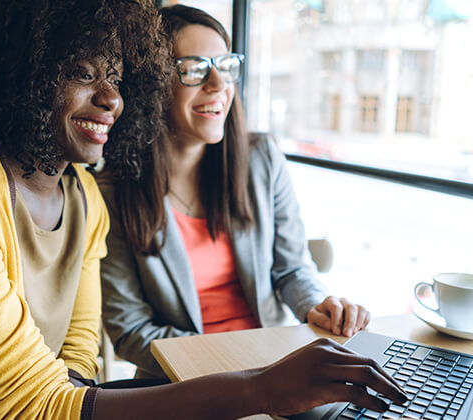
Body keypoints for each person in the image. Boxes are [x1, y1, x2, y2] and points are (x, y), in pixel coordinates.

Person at [0, 1, 405, 418]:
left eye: (116, 78)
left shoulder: (85, 200)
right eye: (82, 73)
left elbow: (75, 364)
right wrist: (258, 389)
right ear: (21, 73)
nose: (112, 98)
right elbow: (30, 401)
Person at [99, 4, 372, 380]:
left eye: (225, 67)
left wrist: (318, 305)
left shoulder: (263, 159)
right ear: (152, 83)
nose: (218, 85)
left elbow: (292, 269)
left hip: (275, 365)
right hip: (185, 384)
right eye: (195, 69)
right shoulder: (113, 190)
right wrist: (234, 365)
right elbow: (130, 331)